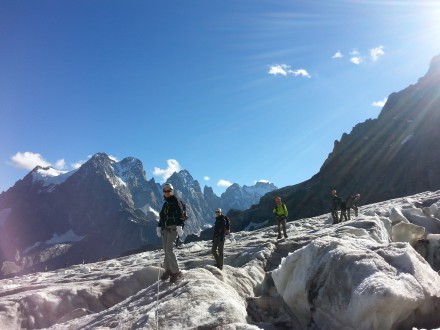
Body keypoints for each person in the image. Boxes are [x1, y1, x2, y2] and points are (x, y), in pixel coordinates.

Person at [157, 183, 185, 283]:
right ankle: (168, 270)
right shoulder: (166, 203)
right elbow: (162, 217)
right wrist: (159, 227)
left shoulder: (175, 201)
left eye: (169, 191)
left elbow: (180, 214)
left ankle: (176, 271)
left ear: (172, 191)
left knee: (169, 249)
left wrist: (179, 226)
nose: (167, 192)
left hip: (173, 228)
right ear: (163, 192)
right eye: (165, 191)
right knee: (165, 249)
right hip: (165, 229)